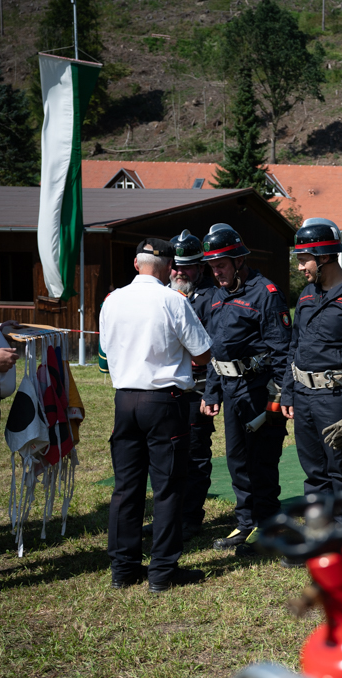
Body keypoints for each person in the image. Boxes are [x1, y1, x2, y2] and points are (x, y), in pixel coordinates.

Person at [101, 239, 211, 592]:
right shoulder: (172, 300)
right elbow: (203, 353)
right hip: (164, 400)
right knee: (167, 488)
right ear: (168, 267)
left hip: (125, 399)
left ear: (136, 264)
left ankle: (123, 569)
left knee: (126, 488)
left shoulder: (113, 299)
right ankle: (162, 571)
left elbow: (105, 351)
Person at [199, 224, 292, 555]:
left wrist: (283, 395)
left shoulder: (265, 293)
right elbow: (216, 350)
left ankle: (267, 525)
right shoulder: (217, 296)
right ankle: (245, 522)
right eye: (212, 267)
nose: (216, 273)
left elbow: (282, 350)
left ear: (239, 261)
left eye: (221, 266)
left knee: (261, 459)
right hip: (229, 388)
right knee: (237, 459)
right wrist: (211, 392)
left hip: (259, 389)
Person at [281, 218, 342, 526]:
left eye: (304, 260)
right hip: (303, 396)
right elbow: (294, 346)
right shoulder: (306, 295)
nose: (299, 267)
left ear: (324, 257)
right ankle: (320, 532)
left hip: (337, 398)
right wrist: (288, 391)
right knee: (313, 472)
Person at [169, 229, 218, 538]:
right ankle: (170, 516)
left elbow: (214, 351)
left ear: (200, 267)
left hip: (197, 389)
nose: (179, 272)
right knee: (166, 456)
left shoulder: (212, 299)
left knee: (195, 455)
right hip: (165, 389)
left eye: (186, 267)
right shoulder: (164, 296)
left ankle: (190, 518)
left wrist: (210, 393)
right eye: (175, 266)